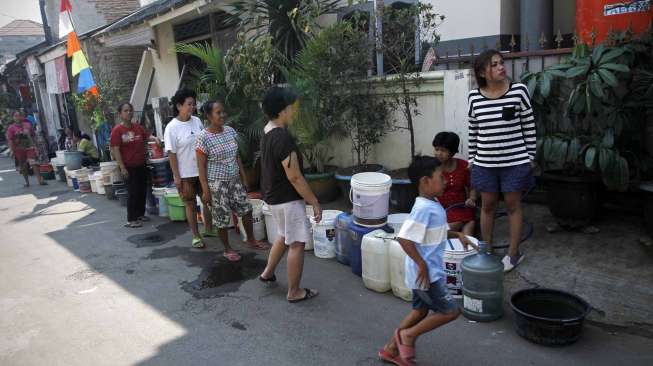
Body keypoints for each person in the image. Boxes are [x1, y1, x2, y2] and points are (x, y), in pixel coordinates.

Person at [378, 156, 474, 366]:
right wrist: (422, 264)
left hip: (422, 273)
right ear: (425, 181)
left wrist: (458, 235)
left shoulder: (433, 203)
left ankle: (391, 349)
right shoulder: (423, 208)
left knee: (420, 311)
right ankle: (409, 336)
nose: (446, 181)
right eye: (441, 177)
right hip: (428, 275)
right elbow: (404, 238)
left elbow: (434, 234)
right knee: (451, 311)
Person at [468, 49, 536, 272]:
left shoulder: (518, 91)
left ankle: (513, 254)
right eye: (494, 64)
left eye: (501, 63)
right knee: (487, 206)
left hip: (515, 163)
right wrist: (472, 159)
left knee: (512, 205)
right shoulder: (474, 97)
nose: (501, 67)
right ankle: (486, 251)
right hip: (485, 165)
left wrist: (530, 157)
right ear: (482, 72)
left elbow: (528, 125)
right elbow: (473, 130)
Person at [258, 86, 322, 303]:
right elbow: (294, 177)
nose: (294, 112)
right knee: (297, 243)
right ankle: (294, 292)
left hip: (274, 197)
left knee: (284, 236)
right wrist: (314, 201)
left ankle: (267, 273)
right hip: (287, 198)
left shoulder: (267, 131)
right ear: (283, 110)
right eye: (292, 108)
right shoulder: (282, 138)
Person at [196, 100, 270, 262]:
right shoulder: (203, 138)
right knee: (221, 217)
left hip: (235, 180)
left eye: (223, 112)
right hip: (217, 184)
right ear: (209, 116)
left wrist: (244, 177)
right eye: (218, 112)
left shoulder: (230, 131)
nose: (222, 115)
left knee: (246, 210)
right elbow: (201, 167)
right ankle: (227, 249)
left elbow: (236, 156)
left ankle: (251, 240)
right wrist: (205, 190)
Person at [164, 88, 213, 247]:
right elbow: (171, 154)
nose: (192, 107)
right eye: (189, 104)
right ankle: (195, 235)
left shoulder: (197, 121)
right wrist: (176, 176)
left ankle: (209, 229)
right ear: (179, 106)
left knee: (207, 200)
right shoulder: (172, 127)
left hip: (201, 171)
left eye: (193, 104)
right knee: (190, 205)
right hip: (185, 175)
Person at [110, 102, 157, 228]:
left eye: (130, 110)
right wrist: (122, 167)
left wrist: (155, 138)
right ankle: (131, 219)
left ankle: (140, 214)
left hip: (141, 164)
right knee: (132, 192)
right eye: (125, 111)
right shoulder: (117, 131)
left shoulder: (137, 127)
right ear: (120, 114)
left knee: (142, 190)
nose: (129, 112)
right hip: (128, 166)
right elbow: (116, 149)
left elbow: (147, 136)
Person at [432, 132, 476, 236]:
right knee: (458, 223)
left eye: (443, 150)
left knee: (470, 222)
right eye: (437, 149)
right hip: (441, 210)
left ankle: (467, 250)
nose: (439, 153)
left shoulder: (463, 166)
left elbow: (472, 186)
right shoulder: (432, 168)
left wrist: (472, 198)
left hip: (461, 207)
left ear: (452, 152)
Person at [5, 110, 46, 187]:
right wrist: (11, 150)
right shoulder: (11, 128)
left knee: (34, 163)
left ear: (21, 116)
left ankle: (40, 180)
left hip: (29, 147)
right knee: (23, 166)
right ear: (13, 118)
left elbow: (33, 136)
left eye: (19, 115)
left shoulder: (27, 125)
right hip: (18, 149)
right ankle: (27, 182)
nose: (17, 117)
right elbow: (10, 140)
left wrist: (36, 146)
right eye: (15, 116)